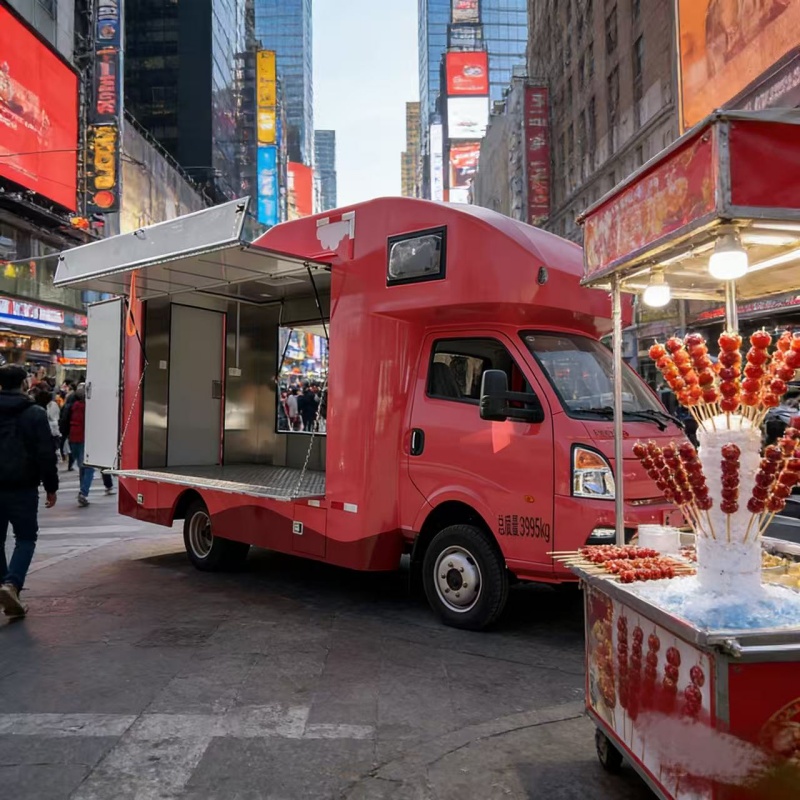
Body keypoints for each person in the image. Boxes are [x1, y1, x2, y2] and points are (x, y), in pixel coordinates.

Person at [0, 365, 58, 618]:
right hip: (23, 487)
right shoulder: (35, 413)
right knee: (25, 538)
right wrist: (51, 487)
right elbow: (45, 454)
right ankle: (11, 584)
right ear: (24, 383)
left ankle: (6, 588)